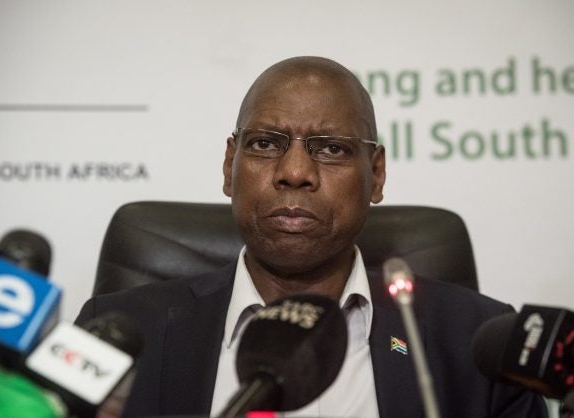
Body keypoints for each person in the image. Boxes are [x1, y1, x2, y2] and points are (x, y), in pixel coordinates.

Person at [76, 56, 547, 418]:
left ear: (377, 175)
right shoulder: (113, 333)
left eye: (332, 149)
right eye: (265, 143)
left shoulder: (480, 346)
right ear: (229, 165)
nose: (295, 172)